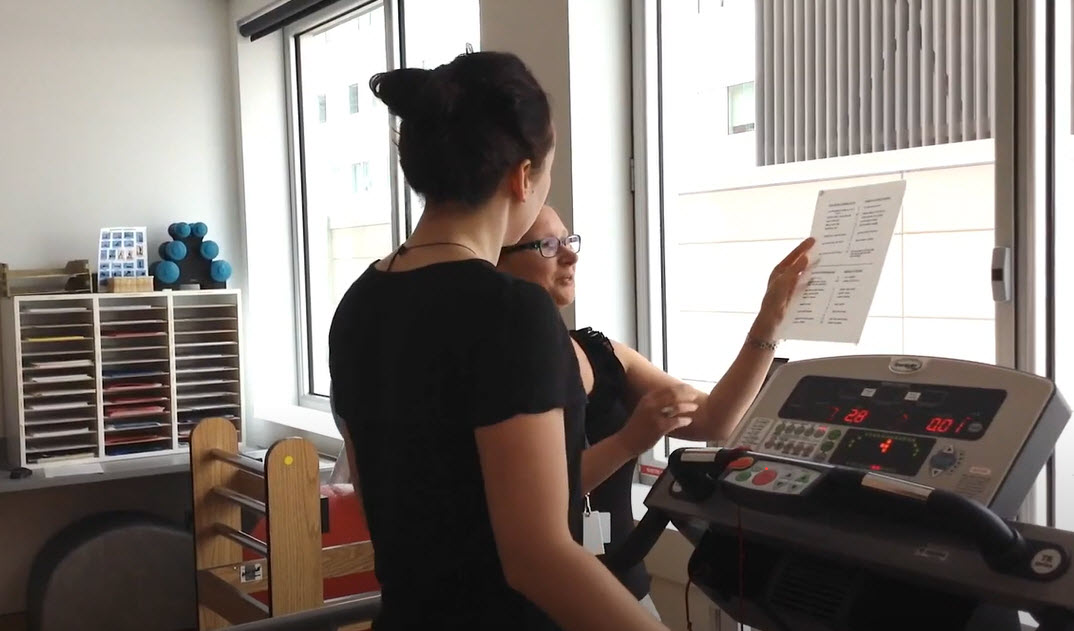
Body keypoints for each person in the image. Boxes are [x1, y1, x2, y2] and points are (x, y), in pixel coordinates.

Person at [328, 52, 669, 631]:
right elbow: (540, 558)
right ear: (522, 176)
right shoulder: (510, 312)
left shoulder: (359, 301)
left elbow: (381, 497)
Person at [497, 205, 813, 613]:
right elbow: (538, 500)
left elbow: (716, 419)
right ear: (498, 263)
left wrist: (768, 323)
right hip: (541, 603)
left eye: (569, 239)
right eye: (548, 245)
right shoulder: (495, 368)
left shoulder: (602, 352)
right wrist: (631, 440)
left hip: (624, 586)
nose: (570, 255)